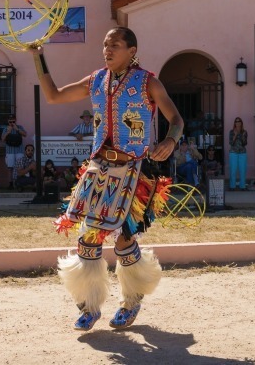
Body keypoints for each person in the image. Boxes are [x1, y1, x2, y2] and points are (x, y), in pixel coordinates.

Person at [30, 26, 183, 331]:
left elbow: (176, 118)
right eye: (105, 45)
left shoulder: (148, 82)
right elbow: (54, 95)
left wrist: (170, 140)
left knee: (125, 239)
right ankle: (89, 305)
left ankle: (132, 300)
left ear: (132, 51)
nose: (107, 50)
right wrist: (38, 58)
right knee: (88, 238)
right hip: (98, 171)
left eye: (114, 45)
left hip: (132, 172)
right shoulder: (97, 79)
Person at [2, 114, 27, 189]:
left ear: (15, 120)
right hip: (10, 151)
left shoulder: (20, 127)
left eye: (13, 121)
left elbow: (25, 134)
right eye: (10, 121)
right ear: (8, 121)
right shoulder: (5, 128)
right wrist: (8, 132)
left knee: (20, 167)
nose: (12, 123)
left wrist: (17, 129)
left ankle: (19, 183)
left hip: (19, 151)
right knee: (10, 168)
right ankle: (11, 184)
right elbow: (3, 139)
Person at [229, 117, 248, 191]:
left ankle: (242, 186)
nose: (237, 123)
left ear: (241, 123)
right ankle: (232, 186)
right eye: (236, 121)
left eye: (239, 121)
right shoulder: (231, 132)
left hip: (242, 153)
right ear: (234, 123)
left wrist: (242, 136)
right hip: (233, 152)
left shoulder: (244, 132)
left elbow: (245, 143)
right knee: (233, 170)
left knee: (242, 170)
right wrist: (235, 135)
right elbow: (231, 143)